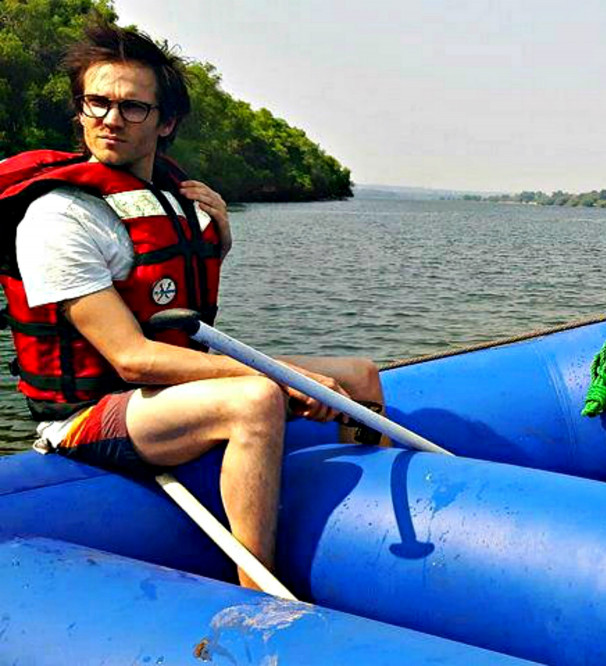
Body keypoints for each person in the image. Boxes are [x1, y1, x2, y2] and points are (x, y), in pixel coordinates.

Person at [0, 24, 385, 590]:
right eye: (97, 102)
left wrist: (218, 242)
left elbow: (185, 318)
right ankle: (260, 595)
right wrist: (284, 378)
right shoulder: (60, 218)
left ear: (165, 121)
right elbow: (131, 359)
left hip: (164, 395)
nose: (110, 119)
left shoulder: (180, 200)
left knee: (360, 376)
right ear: (79, 110)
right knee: (254, 399)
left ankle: (367, 546)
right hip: (87, 412)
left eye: (133, 107)